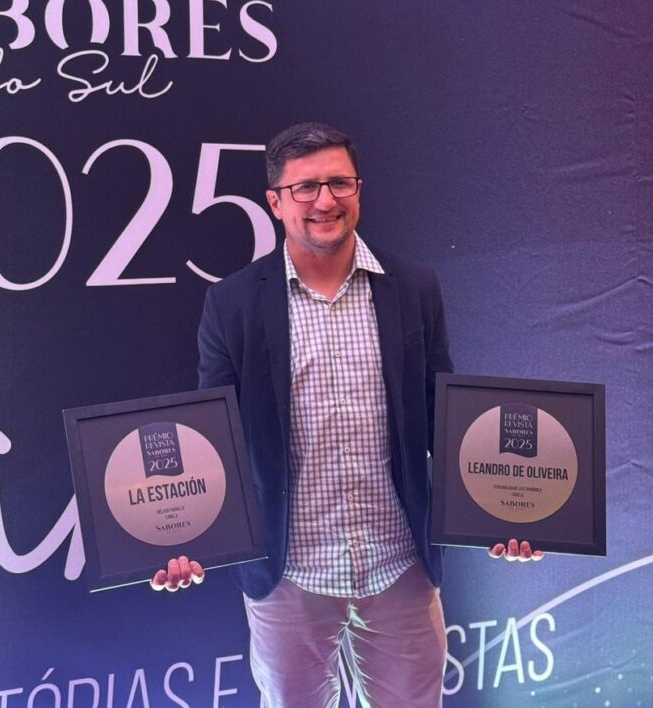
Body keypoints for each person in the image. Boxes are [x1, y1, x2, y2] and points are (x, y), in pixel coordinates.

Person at [151, 122, 542, 707]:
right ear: (275, 202)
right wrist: (184, 539)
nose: (325, 201)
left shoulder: (414, 287)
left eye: (340, 183)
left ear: (359, 189)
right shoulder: (232, 303)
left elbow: (447, 418)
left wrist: (507, 512)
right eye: (305, 187)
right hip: (289, 572)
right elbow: (215, 443)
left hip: (399, 564)